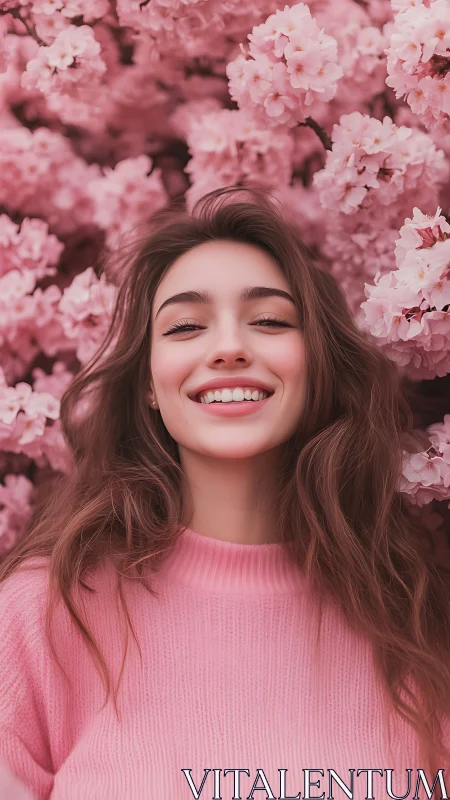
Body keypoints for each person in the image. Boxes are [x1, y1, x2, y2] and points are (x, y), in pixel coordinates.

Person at [0, 185, 449, 800]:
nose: (230, 347)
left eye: (268, 321)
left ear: (316, 362)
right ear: (149, 384)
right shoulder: (46, 617)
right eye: (185, 326)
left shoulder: (416, 620)